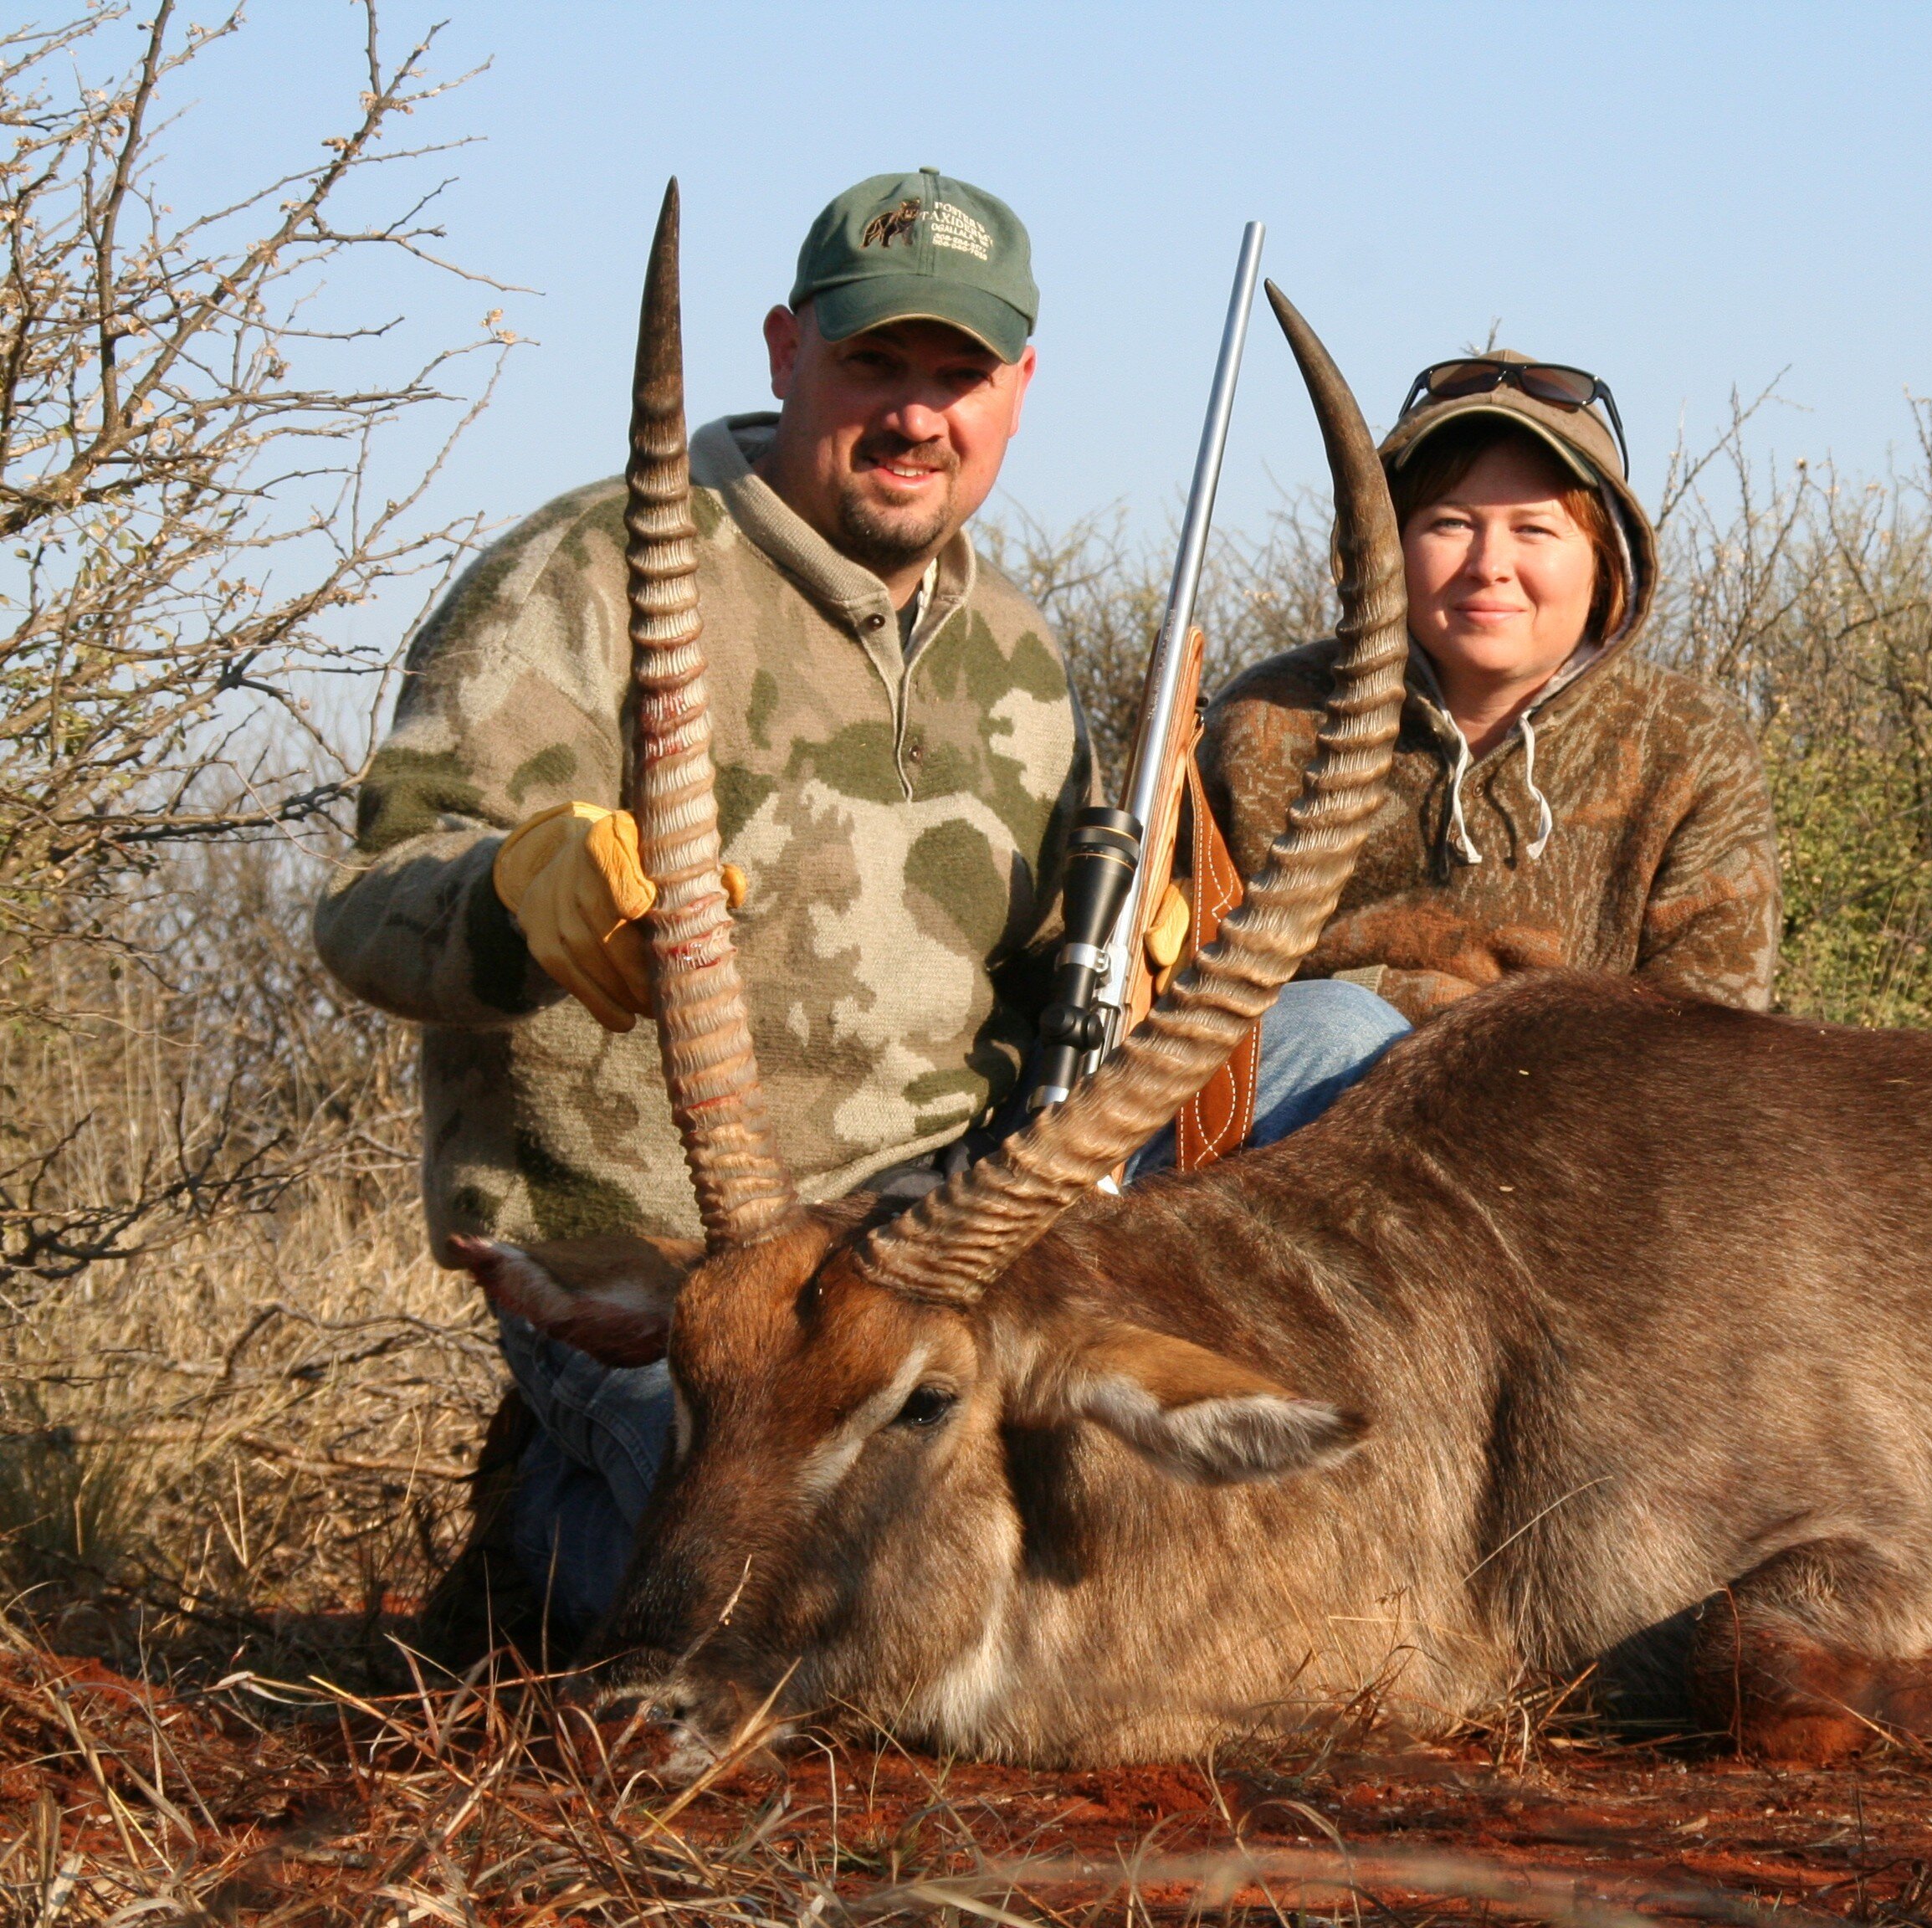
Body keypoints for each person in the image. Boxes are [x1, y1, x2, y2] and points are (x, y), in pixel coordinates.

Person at [315, 171, 1402, 1651]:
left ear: (1019, 389)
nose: (914, 414)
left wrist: (1148, 976)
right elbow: (366, 911)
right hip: (688, 1270)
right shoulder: (585, 575)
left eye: (958, 376)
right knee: (763, 1600)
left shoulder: (1012, 648)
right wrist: (513, 893)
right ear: (783, 349)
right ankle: (557, 1517)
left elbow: (1037, 988)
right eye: (872, 363)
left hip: (935, 1238)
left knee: (1342, 1031)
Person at [1201, 351, 1780, 1025]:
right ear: (1383, 547)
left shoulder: (1690, 741)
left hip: (1570, 1112)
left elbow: (1706, 1034)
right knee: (1333, 1027)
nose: (1489, 567)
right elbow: (1183, 973)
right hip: (1307, 1105)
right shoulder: (1266, 717)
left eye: (1534, 530)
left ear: (1606, 561)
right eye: (1450, 524)